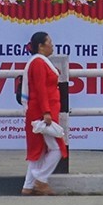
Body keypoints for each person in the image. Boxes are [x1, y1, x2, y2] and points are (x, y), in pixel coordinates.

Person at [21, 31, 67, 196]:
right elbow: (40, 89)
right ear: (41, 46)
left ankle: (28, 186)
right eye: (50, 42)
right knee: (56, 149)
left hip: (40, 110)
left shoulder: (37, 62)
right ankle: (40, 179)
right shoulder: (39, 63)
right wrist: (46, 112)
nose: (52, 45)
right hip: (43, 112)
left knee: (38, 151)